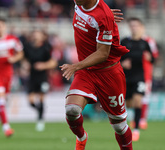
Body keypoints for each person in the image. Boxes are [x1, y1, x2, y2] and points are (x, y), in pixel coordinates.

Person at [60, 0, 133, 149]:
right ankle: (81, 137)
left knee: (119, 126)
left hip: (109, 73)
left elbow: (102, 54)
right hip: (86, 71)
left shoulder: (103, 17)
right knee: (71, 110)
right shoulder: (79, 4)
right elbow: (93, 15)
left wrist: (76, 66)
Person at [121, 18, 153, 141]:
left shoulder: (144, 43)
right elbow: (115, 58)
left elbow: (153, 59)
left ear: (140, 27)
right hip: (125, 77)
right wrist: (122, 63)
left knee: (138, 101)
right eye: (132, 25)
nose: (134, 28)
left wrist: (149, 58)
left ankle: (136, 130)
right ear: (130, 27)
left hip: (140, 77)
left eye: (136, 26)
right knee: (128, 104)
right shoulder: (124, 41)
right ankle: (125, 127)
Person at [24, 30, 57, 132]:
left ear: (42, 37)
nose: (36, 35)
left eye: (38, 34)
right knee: (30, 101)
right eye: (34, 34)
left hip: (43, 77)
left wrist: (43, 65)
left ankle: (40, 120)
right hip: (32, 77)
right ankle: (40, 112)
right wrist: (24, 65)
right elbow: (24, 59)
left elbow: (53, 62)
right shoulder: (28, 47)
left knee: (41, 98)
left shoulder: (46, 48)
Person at [140, 30, 159, 130]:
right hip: (131, 74)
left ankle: (142, 120)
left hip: (146, 74)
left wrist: (150, 57)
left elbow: (155, 56)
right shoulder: (128, 40)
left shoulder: (149, 41)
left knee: (145, 97)